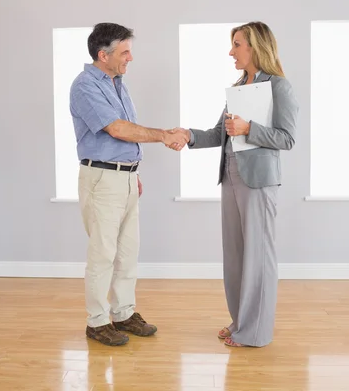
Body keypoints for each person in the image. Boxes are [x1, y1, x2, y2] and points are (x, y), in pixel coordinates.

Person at [170, 21, 298, 347]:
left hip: (258, 183)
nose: (231, 51)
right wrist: (189, 136)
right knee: (236, 256)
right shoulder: (240, 85)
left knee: (258, 257)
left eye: (237, 44)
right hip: (230, 176)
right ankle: (240, 320)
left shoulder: (278, 86)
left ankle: (255, 332)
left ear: (255, 47)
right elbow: (219, 133)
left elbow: (287, 138)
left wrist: (249, 128)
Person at [69, 22, 188, 346]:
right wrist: (164, 135)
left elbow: (126, 134)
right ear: (102, 54)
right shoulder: (85, 86)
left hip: (124, 178)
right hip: (103, 179)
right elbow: (117, 129)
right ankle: (96, 322)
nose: (130, 58)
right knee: (103, 254)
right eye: (124, 52)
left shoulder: (117, 83)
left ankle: (123, 313)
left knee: (127, 253)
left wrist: (132, 173)